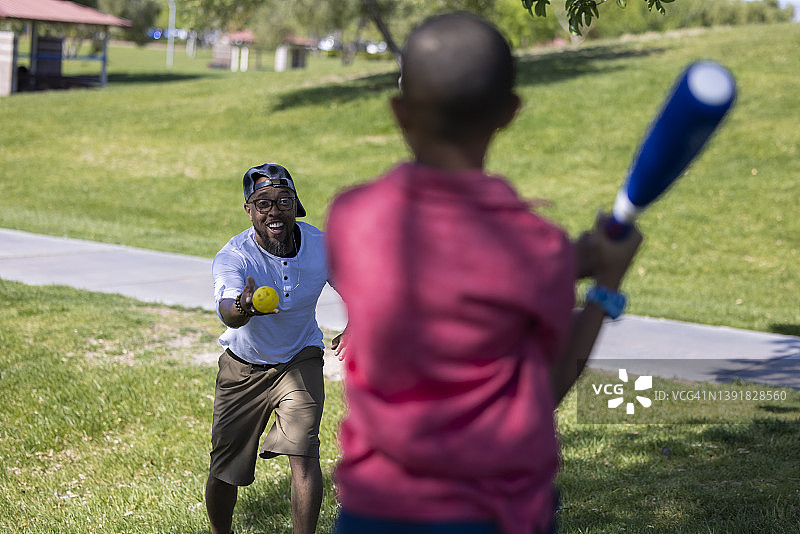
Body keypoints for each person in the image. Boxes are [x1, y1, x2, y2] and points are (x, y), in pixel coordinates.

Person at [325, 13, 642, 534]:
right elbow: (551, 384)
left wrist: (571, 261)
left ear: (399, 112)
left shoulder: (352, 220)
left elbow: (448, 265)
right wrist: (604, 283)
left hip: (373, 511)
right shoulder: (534, 246)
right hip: (493, 515)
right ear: (509, 113)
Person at [206, 162, 337, 534]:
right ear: (249, 211)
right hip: (243, 366)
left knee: (304, 453)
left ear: (297, 205)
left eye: (283, 200)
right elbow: (228, 312)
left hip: (300, 358)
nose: (274, 211)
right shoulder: (234, 257)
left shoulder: (321, 246)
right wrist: (244, 307)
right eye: (262, 203)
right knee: (225, 469)